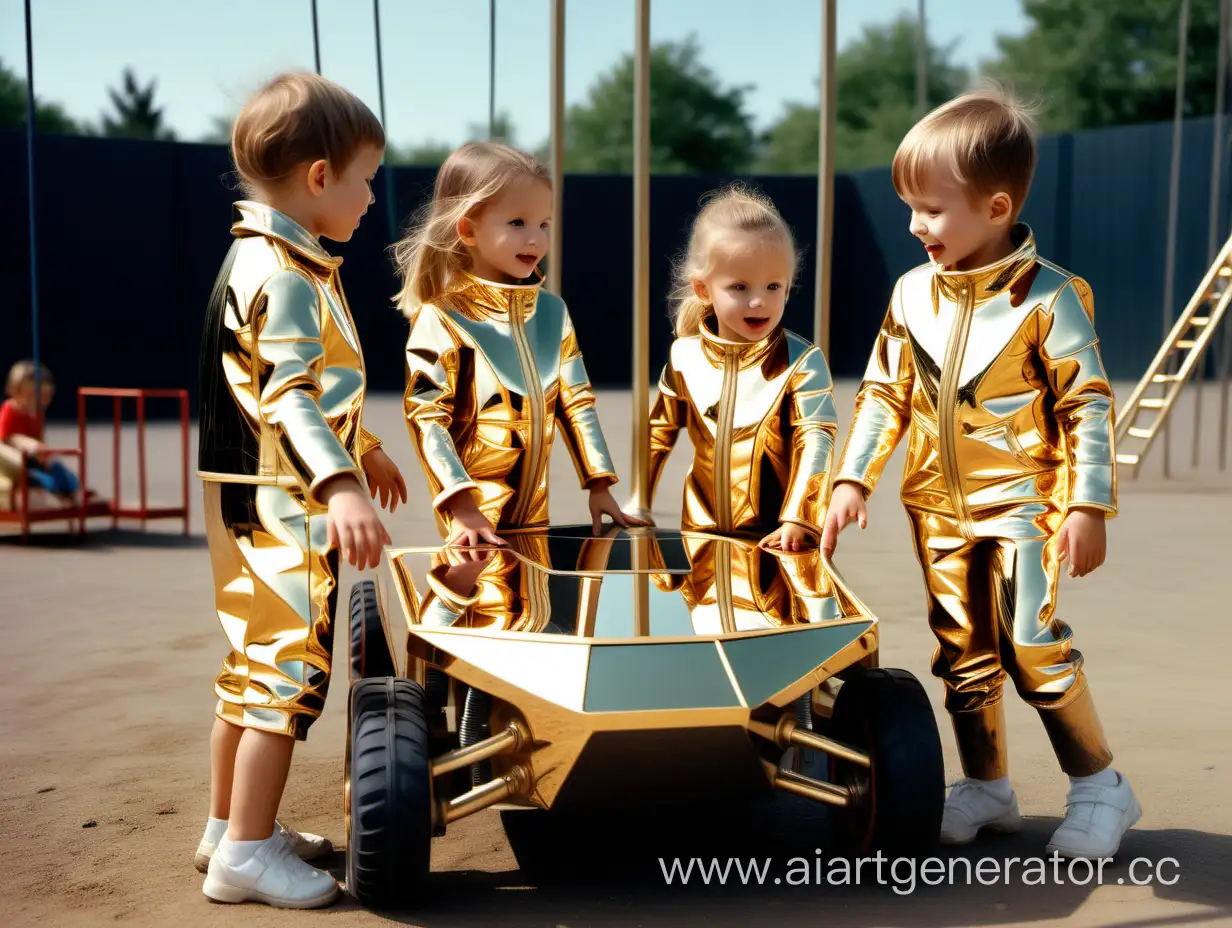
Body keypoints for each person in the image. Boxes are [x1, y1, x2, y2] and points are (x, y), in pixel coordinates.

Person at [821, 85, 1140, 860]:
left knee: (1031, 643)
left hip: (1026, 505)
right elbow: (883, 394)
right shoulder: (910, 294)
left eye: (931, 209)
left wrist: (1087, 505)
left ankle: (1101, 785)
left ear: (996, 207)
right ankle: (987, 785)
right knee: (960, 655)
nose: (914, 226)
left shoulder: (1051, 298)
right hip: (936, 508)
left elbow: (1088, 406)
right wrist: (852, 477)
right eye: (909, 207)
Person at [194, 70, 406, 908]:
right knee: (289, 673)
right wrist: (342, 484)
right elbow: (289, 395)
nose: (369, 200)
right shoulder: (285, 273)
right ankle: (245, 854)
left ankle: (225, 827)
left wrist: (369, 447)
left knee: (249, 666)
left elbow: (310, 385)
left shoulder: (266, 255)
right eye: (366, 180)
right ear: (320, 177)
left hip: (247, 489)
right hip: (285, 496)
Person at [396, 140, 644, 543]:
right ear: (468, 229)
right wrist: (461, 505)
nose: (536, 239)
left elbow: (575, 399)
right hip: (472, 525)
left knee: (533, 604)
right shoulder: (441, 317)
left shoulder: (552, 312)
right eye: (517, 223)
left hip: (535, 521)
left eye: (544, 224)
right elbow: (427, 417)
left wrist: (599, 482)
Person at [635, 184, 838, 550]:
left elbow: (817, 439)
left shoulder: (802, 362)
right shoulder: (685, 356)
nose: (759, 301)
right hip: (700, 538)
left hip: (777, 540)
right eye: (740, 286)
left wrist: (800, 518)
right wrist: (639, 501)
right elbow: (657, 434)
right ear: (703, 289)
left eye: (774, 286)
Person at [0, 361, 81, 504]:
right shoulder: (9, 410)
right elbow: (6, 439)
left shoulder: (37, 412)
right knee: (40, 479)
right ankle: (56, 491)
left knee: (61, 472)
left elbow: (40, 439)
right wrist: (27, 445)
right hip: (16, 458)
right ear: (17, 390)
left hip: (35, 457)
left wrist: (42, 454)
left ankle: (71, 490)